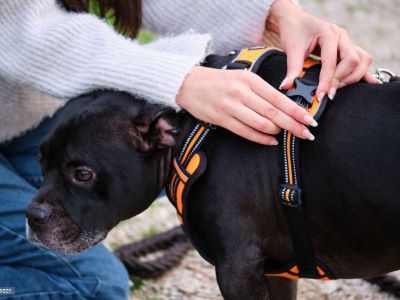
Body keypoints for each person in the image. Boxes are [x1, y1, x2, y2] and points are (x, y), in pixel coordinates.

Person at [0, 0, 378, 298]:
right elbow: (18, 28)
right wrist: (179, 79)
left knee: (189, 157)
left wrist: (276, 13)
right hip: (24, 84)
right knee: (91, 285)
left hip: (25, 116)